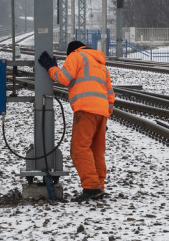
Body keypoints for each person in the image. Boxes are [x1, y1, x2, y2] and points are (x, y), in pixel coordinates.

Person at [38, 40, 115, 203]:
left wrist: (51, 67)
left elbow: (64, 78)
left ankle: (92, 187)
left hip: (86, 108)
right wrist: (105, 115)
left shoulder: (76, 56)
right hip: (102, 112)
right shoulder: (100, 64)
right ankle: (99, 186)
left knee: (79, 149)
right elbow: (110, 94)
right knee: (96, 151)